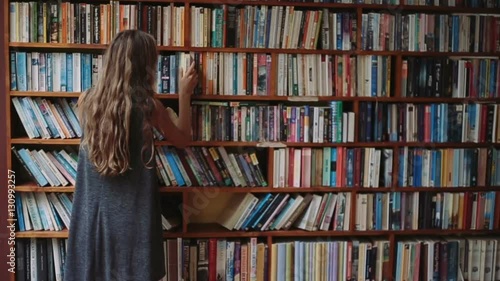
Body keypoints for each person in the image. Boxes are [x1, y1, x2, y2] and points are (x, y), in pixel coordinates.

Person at [63, 29, 198, 281]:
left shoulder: (86, 101)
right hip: (134, 218)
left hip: (93, 218)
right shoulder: (150, 107)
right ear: (146, 66)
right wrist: (184, 95)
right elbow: (182, 139)